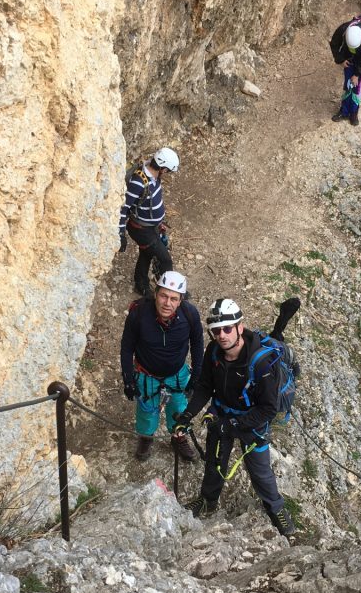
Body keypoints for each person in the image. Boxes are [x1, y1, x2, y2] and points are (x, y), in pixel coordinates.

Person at [173, 298, 298, 536]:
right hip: (222, 415)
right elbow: (205, 387)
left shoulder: (260, 364)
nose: (221, 335)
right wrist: (188, 415)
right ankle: (208, 500)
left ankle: (276, 509)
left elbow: (268, 408)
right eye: (216, 331)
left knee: (260, 471)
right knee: (214, 463)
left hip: (251, 422)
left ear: (240, 327)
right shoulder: (214, 352)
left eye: (227, 328)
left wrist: (232, 424)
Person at [120, 270, 204, 462]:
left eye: (174, 298)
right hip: (146, 373)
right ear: (155, 294)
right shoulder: (139, 312)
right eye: (163, 296)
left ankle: (178, 436)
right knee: (146, 409)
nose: (168, 303)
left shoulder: (189, 315)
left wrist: (197, 376)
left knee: (179, 406)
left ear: (180, 300)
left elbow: (198, 343)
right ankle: (146, 437)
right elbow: (127, 347)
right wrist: (128, 378)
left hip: (177, 373)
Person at [118, 147, 180, 296]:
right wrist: (120, 232)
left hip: (151, 227)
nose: (167, 174)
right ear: (164, 168)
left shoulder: (154, 175)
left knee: (146, 253)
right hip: (141, 229)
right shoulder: (139, 182)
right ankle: (169, 291)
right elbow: (124, 207)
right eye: (168, 171)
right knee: (165, 259)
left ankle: (142, 285)